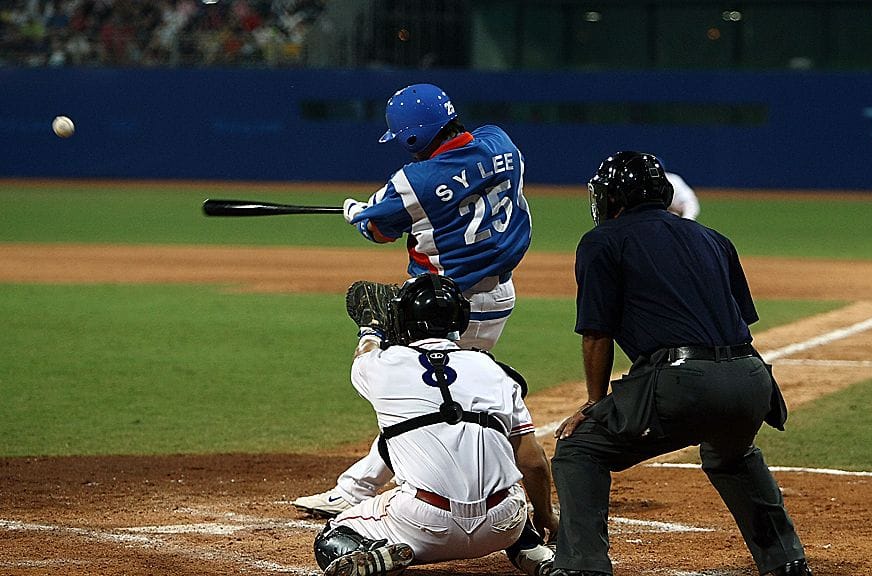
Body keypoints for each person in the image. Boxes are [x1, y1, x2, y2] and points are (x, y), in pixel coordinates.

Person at [548, 152, 811, 576]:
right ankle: (786, 561)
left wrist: (596, 403)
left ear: (614, 196)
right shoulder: (713, 238)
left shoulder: (603, 241)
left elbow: (597, 333)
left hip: (684, 382)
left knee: (580, 448)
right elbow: (739, 321)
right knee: (732, 452)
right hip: (752, 378)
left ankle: (584, 566)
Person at [294, 82, 533, 517]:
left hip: (440, 309)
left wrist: (359, 212)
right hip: (499, 297)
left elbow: (378, 230)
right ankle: (359, 486)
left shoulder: (413, 181)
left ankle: (371, 489)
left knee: (408, 392)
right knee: (447, 396)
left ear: (411, 137)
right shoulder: (502, 143)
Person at [312, 274, 557, 576]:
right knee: (512, 502)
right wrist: (546, 514)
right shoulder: (493, 371)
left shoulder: (380, 366)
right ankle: (538, 557)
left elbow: (365, 353)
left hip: (423, 527)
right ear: (461, 319)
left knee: (333, 536)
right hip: (500, 524)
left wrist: (370, 330)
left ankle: (379, 554)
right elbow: (533, 463)